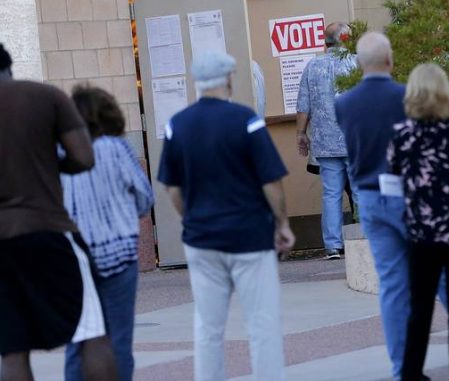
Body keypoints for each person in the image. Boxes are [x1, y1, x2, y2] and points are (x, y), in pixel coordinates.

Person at [336, 32, 449, 381]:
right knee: (448, 283)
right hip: (415, 200)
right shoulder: (405, 97)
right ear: (389, 60)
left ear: (359, 63)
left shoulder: (343, 104)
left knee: (393, 287)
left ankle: (404, 370)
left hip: (369, 199)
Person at [0, 39, 118, 381]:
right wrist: (50, 164)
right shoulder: (46, 96)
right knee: (91, 331)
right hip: (47, 228)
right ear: (8, 65)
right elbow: (84, 156)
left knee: (12, 348)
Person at [157, 50, 295, 381]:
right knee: (262, 323)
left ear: (197, 83)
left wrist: (190, 217)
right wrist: (282, 223)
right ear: (229, 80)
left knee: (207, 325)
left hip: (202, 238)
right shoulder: (247, 121)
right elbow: (271, 182)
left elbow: (172, 188)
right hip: (249, 235)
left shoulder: (177, 126)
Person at [388, 62, 449, 381]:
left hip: (423, 230)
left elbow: (394, 175)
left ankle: (412, 372)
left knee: (421, 305)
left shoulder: (402, 136)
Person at [63, 85, 155, 381]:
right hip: (119, 255)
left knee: (77, 342)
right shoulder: (116, 148)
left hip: (75, 258)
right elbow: (144, 196)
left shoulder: (57, 153)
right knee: (119, 340)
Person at [296, 22, 358, 260]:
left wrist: (301, 134)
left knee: (331, 194)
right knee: (360, 191)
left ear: (326, 41)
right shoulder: (356, 63)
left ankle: (333, 245)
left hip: (325, 143)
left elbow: (303, 106)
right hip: (355, 141)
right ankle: (362, 237)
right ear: (345, 39)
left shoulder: (312, 66)